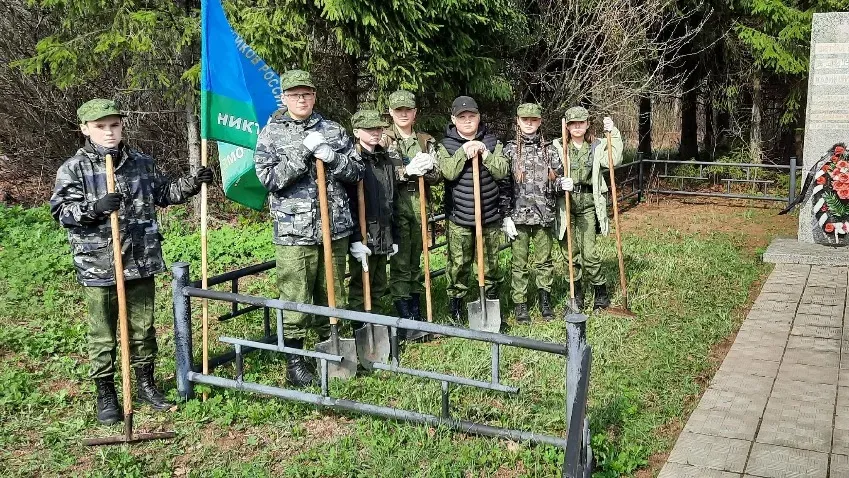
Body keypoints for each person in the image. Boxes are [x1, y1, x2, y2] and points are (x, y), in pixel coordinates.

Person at [50, 98, 213, 425]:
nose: (109, 133)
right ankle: (106, 393)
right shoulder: (74, 169)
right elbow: (62, 212)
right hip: (101, 265)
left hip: (140, 260)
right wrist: (94, 209)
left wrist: (194, 181)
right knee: (103, 333)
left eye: (114, 125)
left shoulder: (140, 162)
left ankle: (145, 384)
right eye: (101, 127)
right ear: (85, 129)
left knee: (143, 329)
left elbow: (165, 192)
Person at [254, 69, 364, 387]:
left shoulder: (333, 129)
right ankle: (296, 362)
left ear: (314, 96)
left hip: (335, 227)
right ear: (284, 98)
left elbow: (356, 171)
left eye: (307, 93)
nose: (301, 99)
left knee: (334, 294)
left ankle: (332, 352)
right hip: (294, 231)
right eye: (294, 94)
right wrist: (303, 153)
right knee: (296, 295)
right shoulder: (271, 133)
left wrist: (332, 158)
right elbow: (268, 179)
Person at [436, 96, 510, 323]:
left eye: (472, 116)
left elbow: (502, 171)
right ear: (453, 119)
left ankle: (490, 303)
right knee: (458, 265)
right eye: (462, 117)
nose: (467, 121)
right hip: (460, 217)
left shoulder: (492, 142)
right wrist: (463, 152)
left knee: (490, 263)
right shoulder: (445, 145)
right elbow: (447, 172)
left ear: (478, 117)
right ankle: (455, 306)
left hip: (489, 215)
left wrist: (485, 154)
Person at [382, 90, 439, 338]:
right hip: (395, 207)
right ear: (391, 113)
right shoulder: (383, 141)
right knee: (401, 264)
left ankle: (417, 314)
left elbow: (439, 176)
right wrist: (405, 171)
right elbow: (378, 177)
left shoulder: (426, 140)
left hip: (420, 206)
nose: (403, 114)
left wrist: (429, 169)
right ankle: (405, 319)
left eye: (408, 110)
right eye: (398, 110)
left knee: (417, 260)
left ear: (415, 113)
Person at [553, 106, 622, 310]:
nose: (577, 127)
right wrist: (558, 181)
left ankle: (600, 293)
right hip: (566, 205)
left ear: (587, 124)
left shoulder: (597, 146)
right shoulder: (557, 146)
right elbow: (550, 171)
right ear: (567, 125)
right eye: (572, 124)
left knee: (589, 253)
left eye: (580, 123)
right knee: (570, 254)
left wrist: (614, 133)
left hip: (588, 204)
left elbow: (614, 160)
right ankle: (577, 295)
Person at [502, 103, 565, 323]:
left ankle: (545, 301)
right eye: (525, 119)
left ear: (540, 122)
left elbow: (556, 182)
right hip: (518, 217)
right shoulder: (509, 150)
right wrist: (506, 214)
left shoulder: (549, 150)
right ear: (517, 121)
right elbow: (503, 184)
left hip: (543, 215)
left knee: (544, 261)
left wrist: (563, 184)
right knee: (519, 264)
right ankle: (521, 305)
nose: (529, 123)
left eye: (533, 120)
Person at [346, 109, 400, 314]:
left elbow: (391, 198)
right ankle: (360, 326)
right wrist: (355, 238)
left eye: (378, 128)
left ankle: (378, 324)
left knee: (378, 284)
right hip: (364, 232)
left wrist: (394, 235)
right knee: (360, 286)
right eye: (369, 129)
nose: (375, 133)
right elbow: (348, 202)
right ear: (357, 132)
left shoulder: (384, 159)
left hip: (383, 230)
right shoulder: (352, 161)